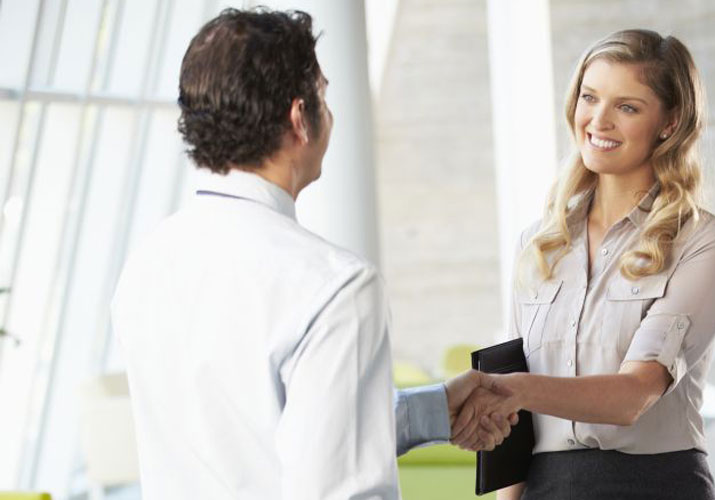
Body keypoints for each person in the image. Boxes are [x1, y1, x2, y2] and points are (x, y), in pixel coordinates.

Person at [111, 8, 512, 500]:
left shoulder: (147, 265)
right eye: (323, 93)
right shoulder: (335, 286)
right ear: (300, 118)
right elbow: (342, 488)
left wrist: (430, 411)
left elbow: (259, 436)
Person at [451, 29, 715, 499]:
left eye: (627, 107)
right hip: (548, 486)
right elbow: (516, 430)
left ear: (669, 122)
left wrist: (511, 389)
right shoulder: (540, 244)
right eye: (589, 97)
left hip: (655, 486)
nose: (597, 121)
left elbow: (634, 394)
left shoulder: (701, 240)